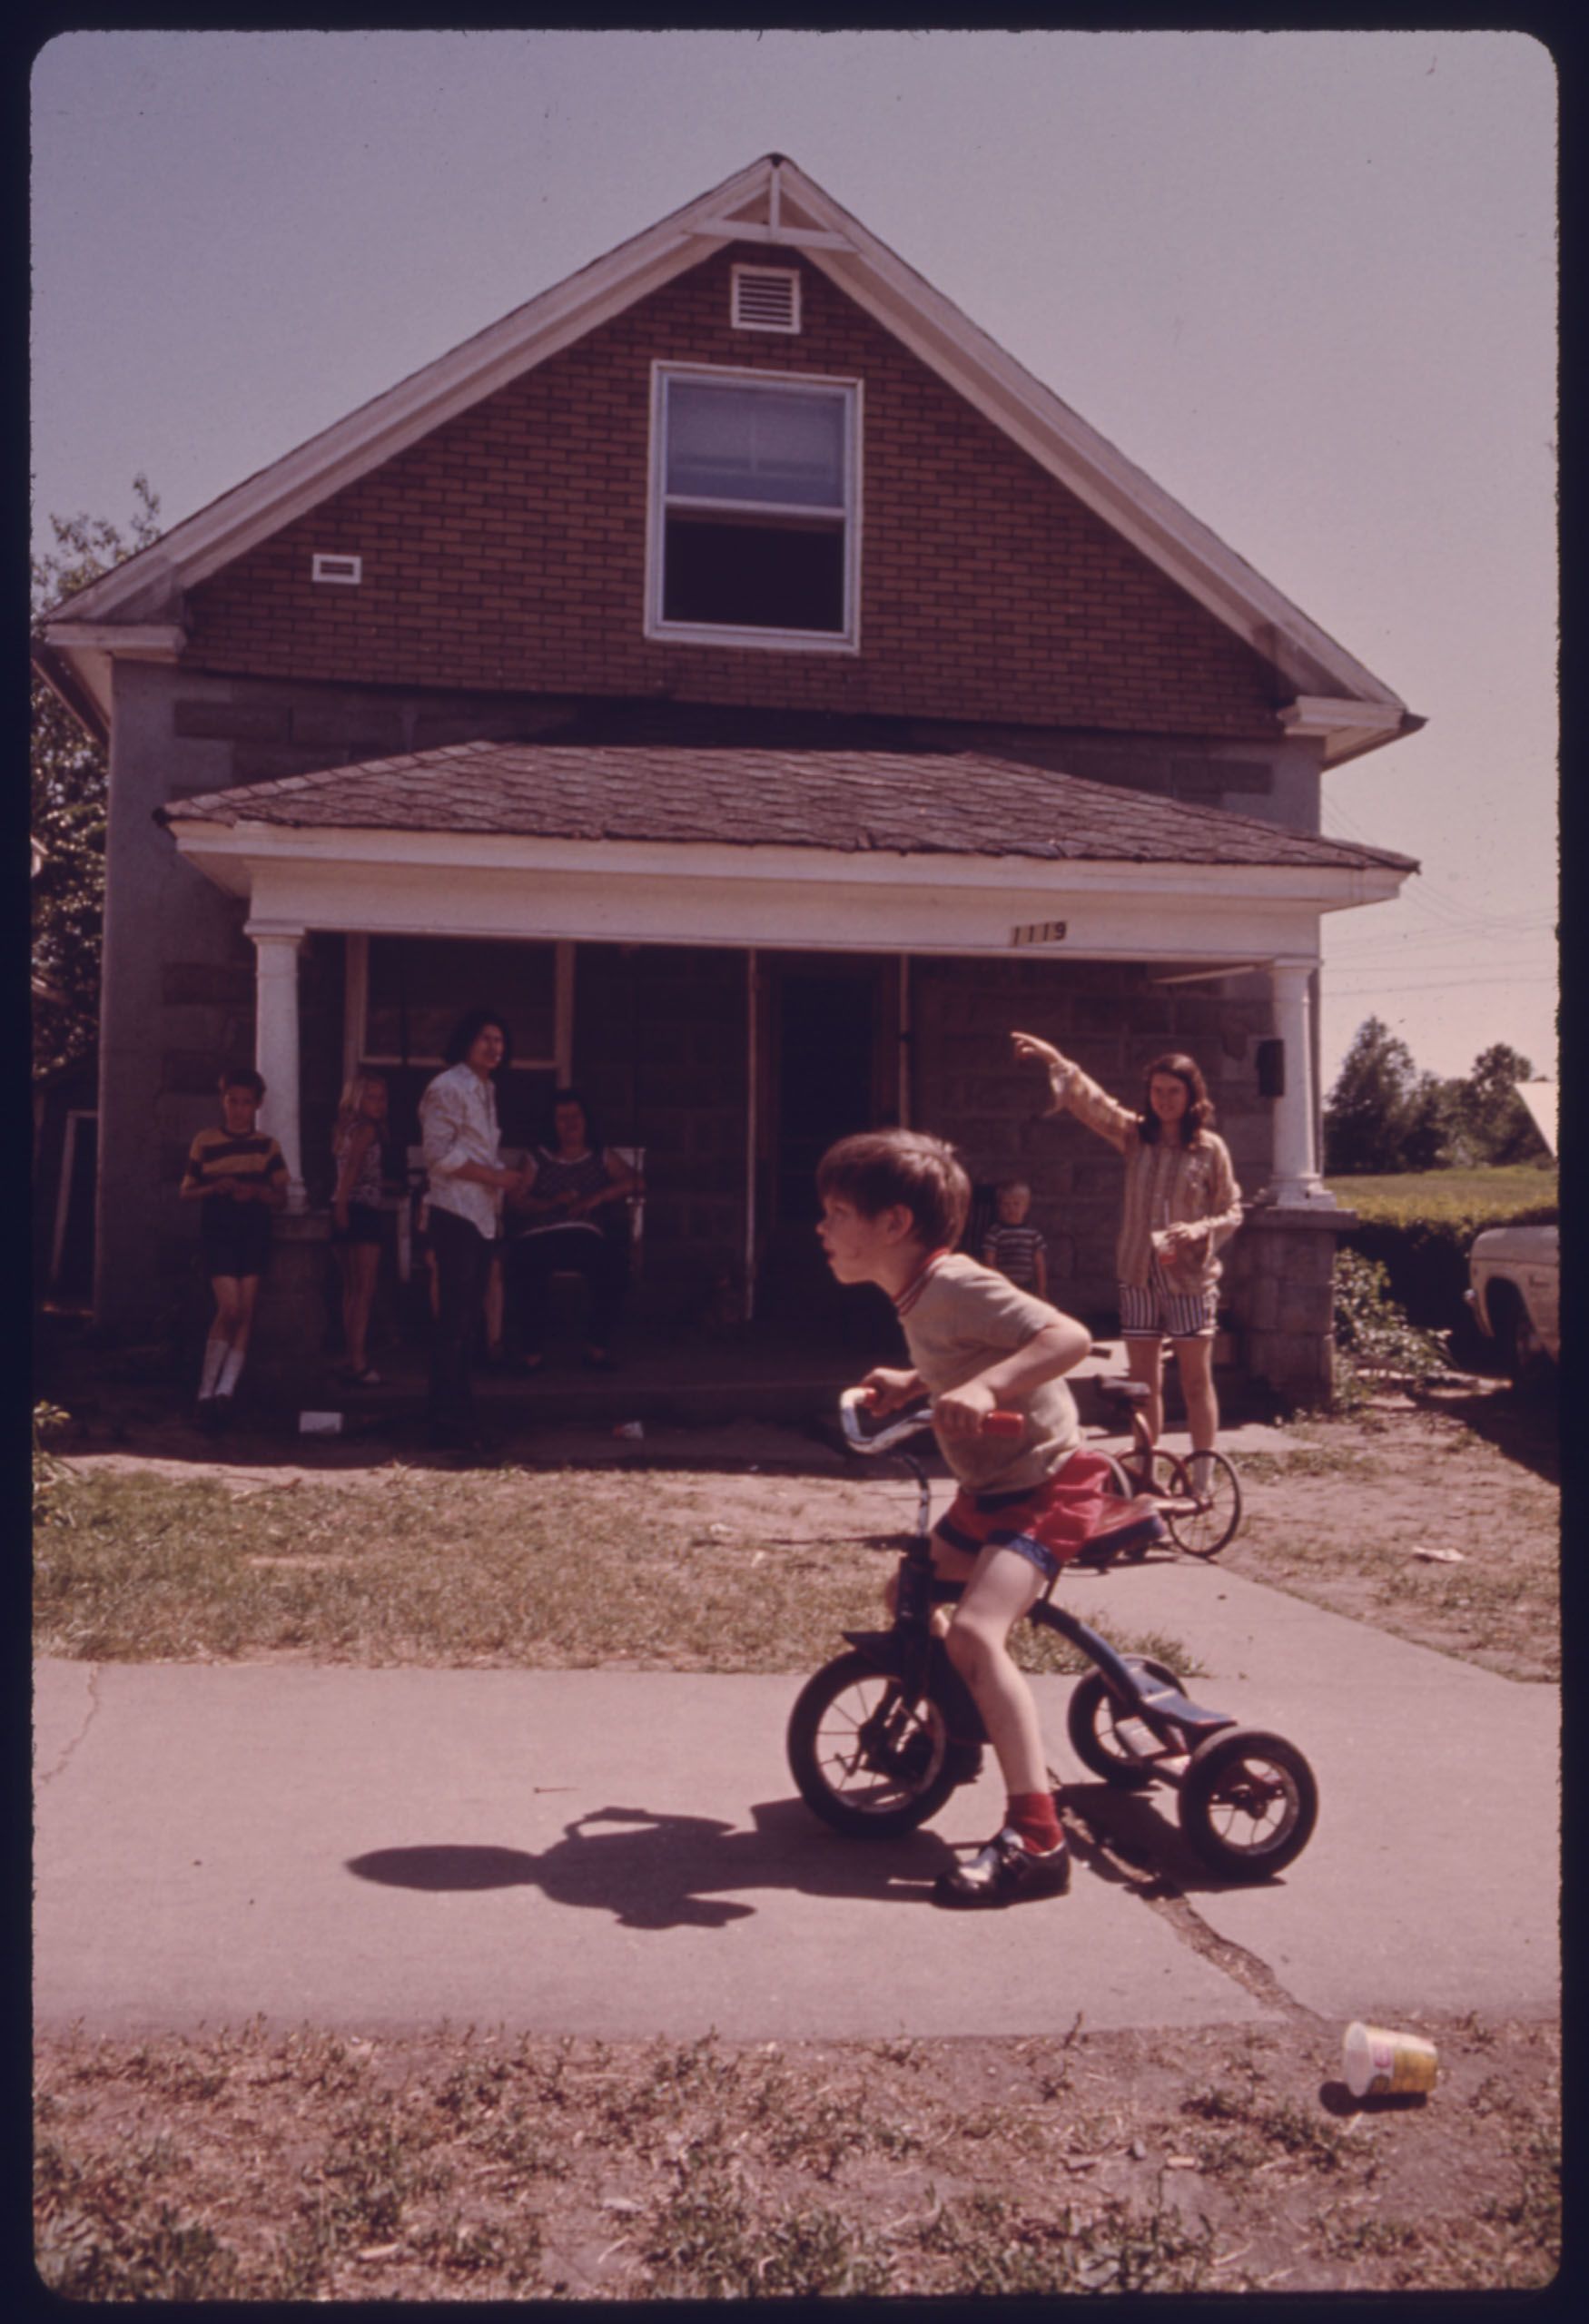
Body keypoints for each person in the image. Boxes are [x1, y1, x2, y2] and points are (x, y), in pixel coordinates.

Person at [815, 1128, 1164, 1910]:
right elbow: (960, 1356)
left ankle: (1040, 1839)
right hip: (993, 1494)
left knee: (974, 1633)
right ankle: (960, 1727)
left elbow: (1067, 1336)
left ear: (895, 1226)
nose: (822, 1228)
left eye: (837, 1213)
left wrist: (990, 1389)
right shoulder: (919, 1293)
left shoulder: (957, 1281)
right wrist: (915, 1384)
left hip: (1052, 1486)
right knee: (904, 1597)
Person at [1011, 1035, 1242, 1487]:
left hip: (1189, 1281)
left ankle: (1202, 1475)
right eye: (1157, 1091)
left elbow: (1233, 1209)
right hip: (1138, 1275)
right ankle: (1143, 1472)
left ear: (1192, 1094)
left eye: (1174, 1091)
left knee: (1195, 1381)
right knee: (1143, 1383)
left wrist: (1199, 1230)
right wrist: (1057, 1060)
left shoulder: (1210, 1149)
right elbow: (1094, 1105)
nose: (1165, 1100)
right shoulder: (1135, 1136)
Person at [418, 1009, 526, 1451]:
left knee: (469, 1317)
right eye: (484, 1038)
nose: (493, 1047)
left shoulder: (486, 1089)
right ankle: (444, 1416)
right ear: (466, 1042)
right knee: (454, 1317)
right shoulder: (447, 1087)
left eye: (499, 1040)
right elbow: (439, 1156)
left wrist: (506, 1178)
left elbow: (477, 1149)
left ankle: (460, 1409)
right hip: (454, 1212)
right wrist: (495, 1178)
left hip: (482, 1214)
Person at [500, 1088, 641, 1371]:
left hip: (583, 1233)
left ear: (586, 1120)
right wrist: (550, 1203)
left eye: (575, 1116)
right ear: (551, 1124)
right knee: (526, 1268)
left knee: (613, 1267)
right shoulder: (537, 1157)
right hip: (539, 1234)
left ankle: (596, 1349)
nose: (570, 1124)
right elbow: (515, 1202)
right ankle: (532, 1355)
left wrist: (595, 1198)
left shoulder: (601, 1155)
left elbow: (635, 1181)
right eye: (562, 1118)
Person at [179, 1066, 288, 1429]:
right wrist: (215, 1187)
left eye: (245, 1103)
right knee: (229, 1306)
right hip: (218, 1229)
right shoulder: (205, 1141)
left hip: (253, 1229)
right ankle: (204, 1390)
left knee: (246, 1311)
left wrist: (256, 1192)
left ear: (257, 1105)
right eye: (232, 1101)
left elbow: (280, 1196)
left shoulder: (267, 1146)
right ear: (223, 1101)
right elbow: (186, 1190)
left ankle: (224, 1393)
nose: (238, 1109)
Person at [330, 1069, 390, 1387]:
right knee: (363, 1290)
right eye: (371, 1096)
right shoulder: (365, 1130)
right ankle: (358, 1361)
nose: (378, 1104)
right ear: (356, 1097)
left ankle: (350, 1355)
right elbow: (352, 1168)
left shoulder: (346, 1129)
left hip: (346, 1206)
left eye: (382, 1098)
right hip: (361, 1211)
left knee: (352, 1289)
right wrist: (342, 1205)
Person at [982, 1179, 1048, 1297]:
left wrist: (1041, 1289)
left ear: (1026, 1207)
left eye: (1016, 1204)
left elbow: (1039, 1264)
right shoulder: (995, 1232)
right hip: (1003, 1284)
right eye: (1006, 1204)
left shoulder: (1033, 1234)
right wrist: (996, 1281)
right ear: (999, 1207)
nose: (1011, 1209)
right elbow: (989, 1261)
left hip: (1027, 1284)